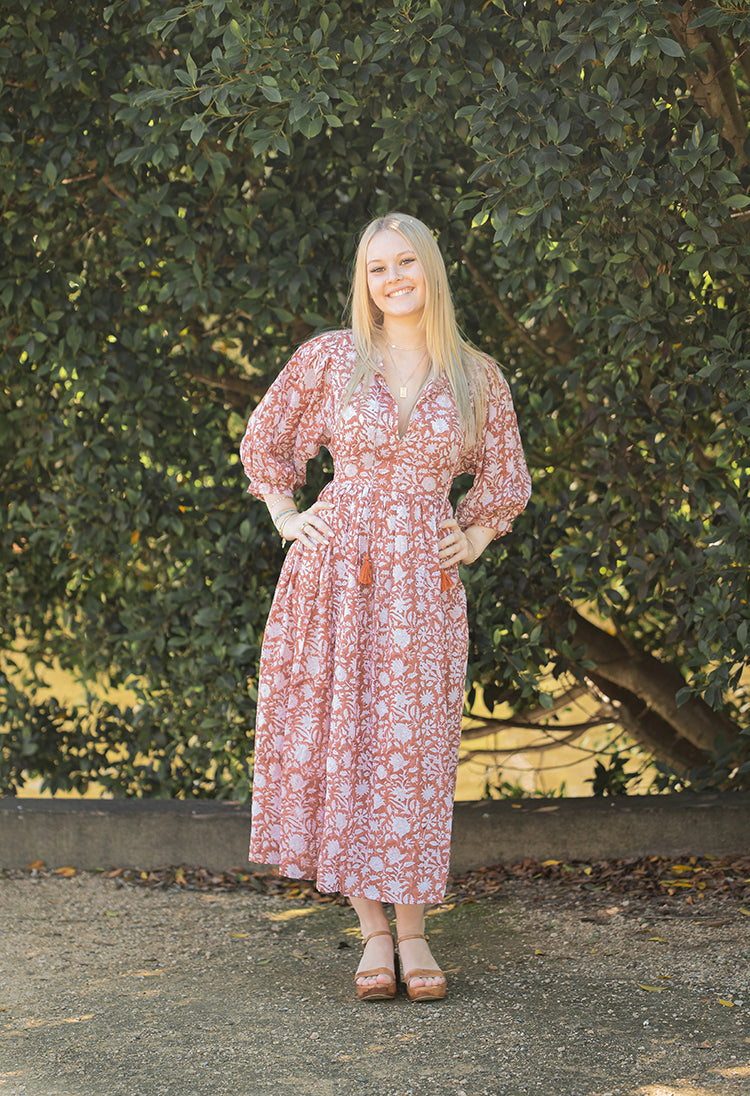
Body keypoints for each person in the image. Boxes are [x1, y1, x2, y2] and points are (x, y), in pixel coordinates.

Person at [240, 211, 531, 1002]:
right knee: (344, 743)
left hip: (423, 594)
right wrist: (286, 516)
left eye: (406, 263)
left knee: (413, 753)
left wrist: (475, 537)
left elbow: (505, 477)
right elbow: (267, 441)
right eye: (377, 269)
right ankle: (372, 933)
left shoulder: (477, 374)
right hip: (333, 577)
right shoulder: (330, 360)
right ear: (363, 283)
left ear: (430, 271)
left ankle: (414, 932)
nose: (393, 279)